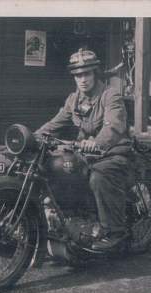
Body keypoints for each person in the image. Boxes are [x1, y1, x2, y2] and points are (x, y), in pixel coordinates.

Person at [36, 49, 133, 251]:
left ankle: (115, 232)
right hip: (86, 153)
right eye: (78, 75)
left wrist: (97, 143)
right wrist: (33, 137)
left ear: (94, 73)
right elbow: (55, 123)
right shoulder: (74, 100)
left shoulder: (110, 96)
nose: (82, 79)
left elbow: (113, 127)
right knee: (58, 168)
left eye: (86, 74)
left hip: (113, 152)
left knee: (98, 177)